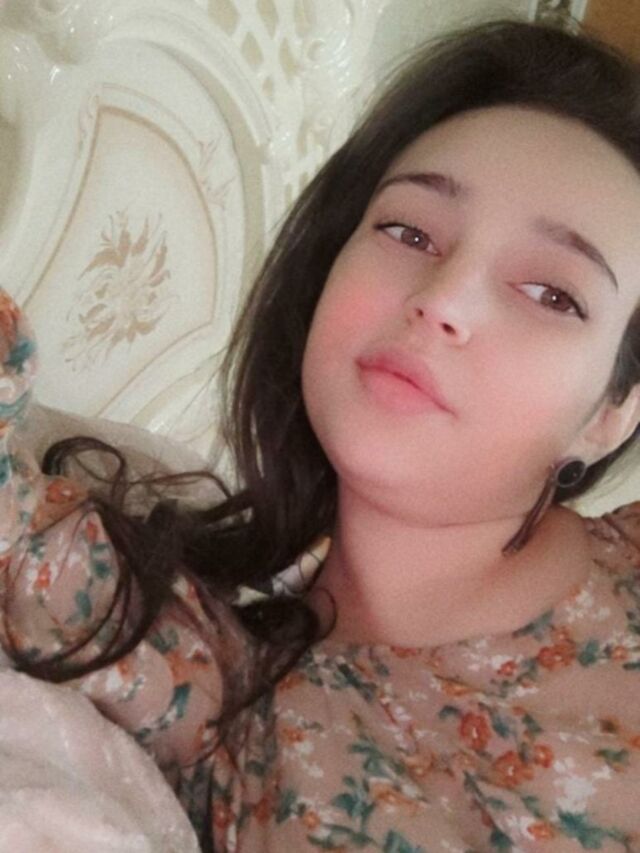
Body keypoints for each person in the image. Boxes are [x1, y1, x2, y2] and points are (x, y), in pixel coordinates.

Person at [1, 14, 640, 852]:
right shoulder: (212, 692)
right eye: (408, 232)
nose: (442, 300)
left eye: (553, 294)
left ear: (611, 411)